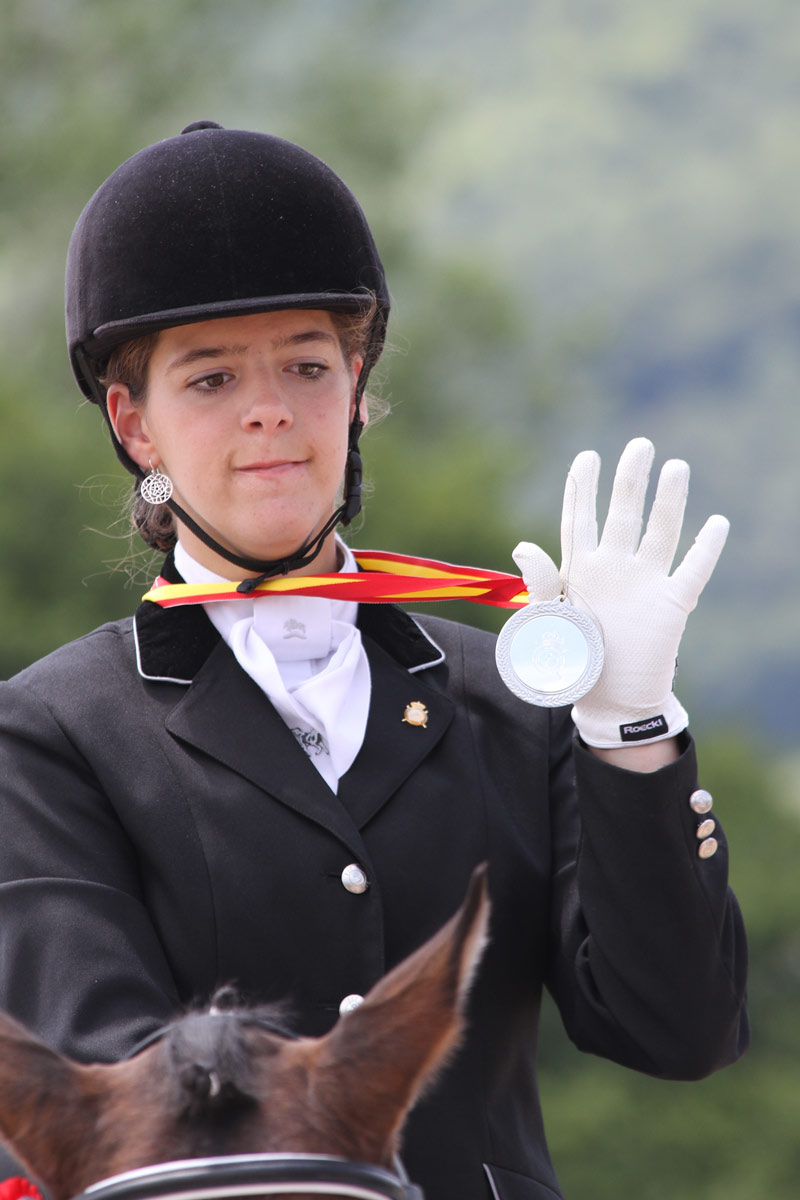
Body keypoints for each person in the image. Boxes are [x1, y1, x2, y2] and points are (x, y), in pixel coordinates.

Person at [0, 121, 747, 1200]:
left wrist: (624, 727)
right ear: (135, 424)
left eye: (305, 366)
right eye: (208, 381)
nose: (268, 409)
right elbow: (115, 1086)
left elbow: (675, 1028)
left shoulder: (509, 696)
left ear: (354, 389)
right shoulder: (49, 735)